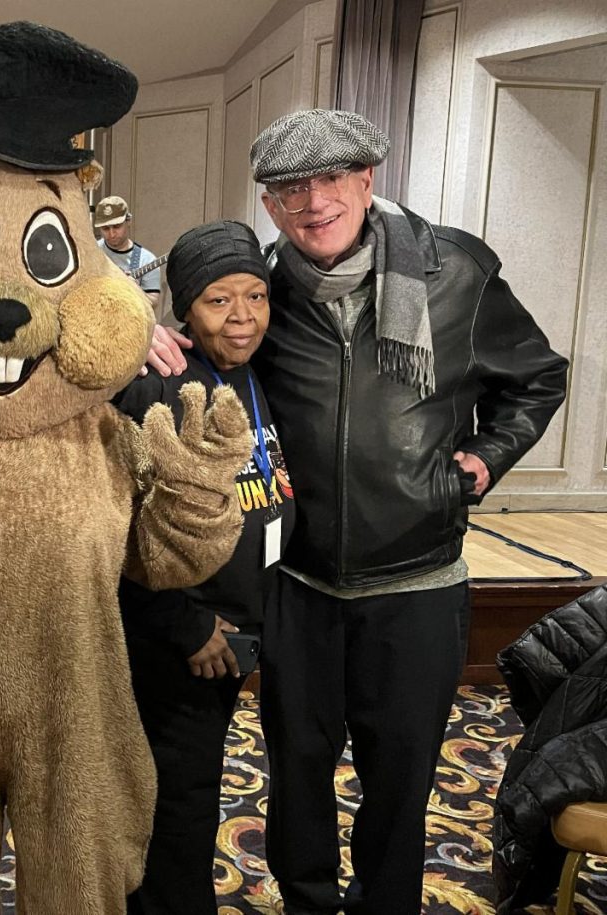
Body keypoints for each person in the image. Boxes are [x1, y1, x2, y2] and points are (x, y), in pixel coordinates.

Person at [146, 109, 568, 915]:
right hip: (299, 588)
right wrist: (145, 333)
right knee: (296, 770)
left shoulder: (458, 272)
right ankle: (306, 899)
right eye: (291, 187)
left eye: (333, 177)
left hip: (418, 584)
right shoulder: (261, 293)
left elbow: (539, 375)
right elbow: (202, 339)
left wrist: (485, 460)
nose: (315, 201)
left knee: (402, 777)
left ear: (368, 179)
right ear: (269, 203)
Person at [115, 221, 294, 915]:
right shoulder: (158, 388)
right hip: (180, 641)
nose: (243, 316)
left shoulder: (256, 373)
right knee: (175, 802)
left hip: (238, 629)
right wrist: (185, 624)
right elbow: (120, 533)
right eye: (220, 300)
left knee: (195, 788)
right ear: (184, 306)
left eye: (255, 295)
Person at [94, 195, 162, 313]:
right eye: (105, 228)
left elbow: (153, 302)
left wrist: (135, 291)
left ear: (128, 221)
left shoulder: (147, 260)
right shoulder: (91, 252)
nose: (112, 234)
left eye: (117, 226)